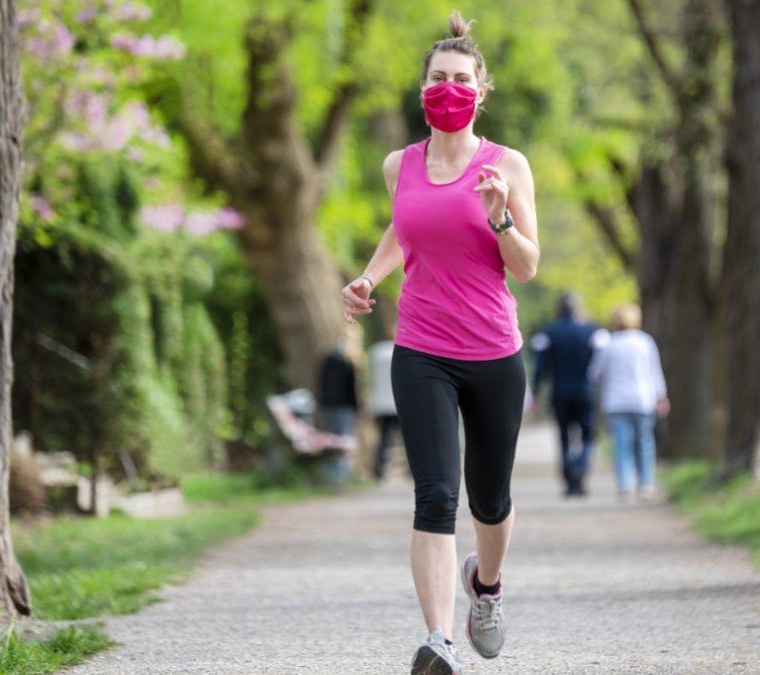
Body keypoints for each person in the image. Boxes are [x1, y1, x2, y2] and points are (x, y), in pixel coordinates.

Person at [339, 11, 540, 674]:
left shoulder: (506, 164)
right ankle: (438, 640)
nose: (447, 87)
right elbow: (404, 229)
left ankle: (487, 584)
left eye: (460, 78)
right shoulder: (399, 164)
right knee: (434, 495)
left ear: (481, 92)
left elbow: (528, 266)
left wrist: (500, 217)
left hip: (493, 352)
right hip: (421, 348)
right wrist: (367, 278)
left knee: (490, 498)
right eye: (437, 78)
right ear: (421, 86)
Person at [587, 303, 670, 503]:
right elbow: (655, 371)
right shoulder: (645, 341)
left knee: (622, 444)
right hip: (643, 399)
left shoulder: (609, 344)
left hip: (616, 401)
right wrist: (661, 396)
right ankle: (646, 484)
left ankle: (625, 485)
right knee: (645, 442)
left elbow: (594, 374)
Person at [528, 292, 607, 497]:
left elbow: (541, 366)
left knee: (563, 437)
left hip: (560, 392)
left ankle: (569, 480)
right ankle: (580, 471)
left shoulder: (549, 333)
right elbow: (600, 364)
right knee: (587, 436)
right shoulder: (592, 332)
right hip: (586, 392)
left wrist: (536, 391)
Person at [317, 334, 359, 484]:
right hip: (343, 406)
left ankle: (332, 473)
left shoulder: (327, 360)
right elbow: (350, 388)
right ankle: (340, 475)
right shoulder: (346, 363)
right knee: (343, 439)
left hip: (327, 405)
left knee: (331, 439)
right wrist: (356, 408)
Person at [368, 333, 400, 482]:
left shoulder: (375, 353)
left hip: (381, 404)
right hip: (397, 402)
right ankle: (412, 470)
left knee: (385, 438)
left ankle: (379, 470)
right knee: (408, 438)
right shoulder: (399, 351)